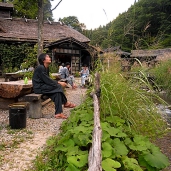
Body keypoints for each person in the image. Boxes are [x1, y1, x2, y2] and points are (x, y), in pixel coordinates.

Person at [32, 53, 76, 119]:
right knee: (58, 86)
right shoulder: (40, 68)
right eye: (48, 57)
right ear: (43, 60)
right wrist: (59, 83)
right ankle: (65, 102)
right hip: (39, 88)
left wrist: (58, 83)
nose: (50, 58)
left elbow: (47, 80)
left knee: (57, 93)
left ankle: (58, 113)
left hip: (43, 87)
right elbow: (47, 80)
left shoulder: (46, 68)